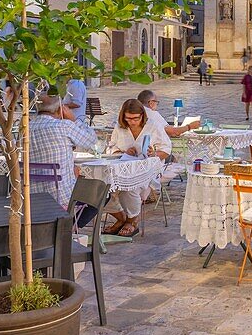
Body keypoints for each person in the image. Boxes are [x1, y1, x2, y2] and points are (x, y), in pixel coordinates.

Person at [28, 94, 96, 208]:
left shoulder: (26, 128)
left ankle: (65, 223)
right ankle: (69, 224)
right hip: (62, 198)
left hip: (33, 198)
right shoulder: (63, 125)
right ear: (60, 109)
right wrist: (74, 119)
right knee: (101, 193)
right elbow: (91, 141)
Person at [103, 99, 157, 237]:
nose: (132, 122)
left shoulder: (152, 126)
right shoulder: (119, 127)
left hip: (145, 169)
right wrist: (121, 152)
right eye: (128, 119)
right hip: (121, 167)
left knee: (129, 188)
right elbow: (110, 148)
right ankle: (121, 218)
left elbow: (166, 149)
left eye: (135, 118)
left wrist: (153, 152)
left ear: (142, 116)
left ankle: (132, 220)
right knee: (101, 188)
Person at [133, 90, 174, 159]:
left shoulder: (131, 113)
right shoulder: (153, 114)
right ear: (151, 103)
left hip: (135, 152)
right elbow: (170, 131)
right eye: (156, 103)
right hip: (147, 153)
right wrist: (188, 127)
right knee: (170, 156)